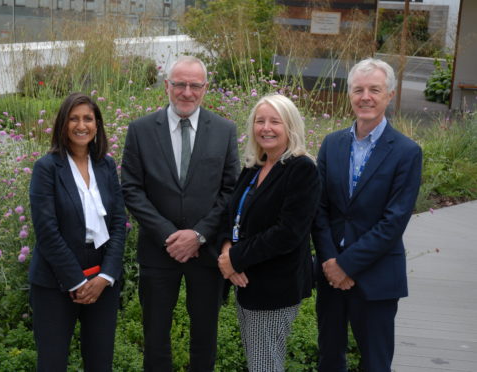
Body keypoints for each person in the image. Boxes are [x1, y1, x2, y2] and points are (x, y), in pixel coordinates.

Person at [121, 55, 240, 372]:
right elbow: (131, 188)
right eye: (180, 84)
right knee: (155, 335)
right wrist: (168, 235)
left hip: (206, 251)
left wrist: (199, 235)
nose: (187, 92)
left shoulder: (225, 130)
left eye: (194, 85)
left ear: (205, 88)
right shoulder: (141, 130)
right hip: (159, 251)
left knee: (205, 335)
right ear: (166, 86)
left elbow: (231, 190)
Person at [312, 58, 422, 371]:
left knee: (375, 363)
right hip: (330, 273)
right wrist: (331, 263)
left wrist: (346, 265)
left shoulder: (406, 151)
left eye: (375, 89)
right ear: (349, 95)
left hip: (377, 277)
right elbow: (319, 211)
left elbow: (394, 221)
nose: (366, 97)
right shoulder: (332, 144)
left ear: (389, 95)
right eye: (358, 89)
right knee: (329, 359)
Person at [217, 94, 321, 372]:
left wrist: (236, 259)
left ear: (290, 127)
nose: (266, 127)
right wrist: (228, 252)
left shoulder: (301, 169)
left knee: (264, 365)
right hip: (247, 282)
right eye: (260, 121)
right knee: (259, 362)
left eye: (275, 121)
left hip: (275, 286)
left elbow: (288, 233)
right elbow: (232, 214)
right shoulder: (255, 166)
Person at [29, 93, 126, 372]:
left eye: (88, 118)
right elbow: (46, 232)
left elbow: (119, 222)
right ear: (63, 124)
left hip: (101, 278)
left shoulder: (106, 165)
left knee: (100, 362)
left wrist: (106, 276)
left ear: (97, 125)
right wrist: (77, 281)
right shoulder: (46, 168)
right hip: (55, 281)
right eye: (74, 118)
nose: (81, 125)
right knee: (52, 363)